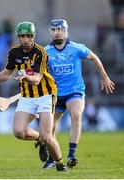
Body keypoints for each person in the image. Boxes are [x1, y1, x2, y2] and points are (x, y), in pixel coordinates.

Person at [0, 21, 67, 171]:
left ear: (33, 36)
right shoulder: (14, 52)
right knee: (19, 132)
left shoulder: (40, 52)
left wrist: (25, 77)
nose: (25, 39)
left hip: (46, 94)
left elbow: (37, 80)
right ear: (18, 37)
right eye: (22, 36)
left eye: (28, 36)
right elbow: (6, 74)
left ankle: (60, 163)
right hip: (26, 96)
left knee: (48, 136)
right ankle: (39, 141)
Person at [43, 19, 115, 169]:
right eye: (54, 29)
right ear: (51, 32)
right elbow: (38, 72)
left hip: (74, 91)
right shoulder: (45, 52)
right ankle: (52, 158)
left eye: (60, 29)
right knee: (50, 129)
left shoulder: (76, 48)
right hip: (55, 95)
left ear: (66, 31)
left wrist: (104, 77)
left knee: (76, 115)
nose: (57, 32)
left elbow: (94, 58)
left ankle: (71, 155)